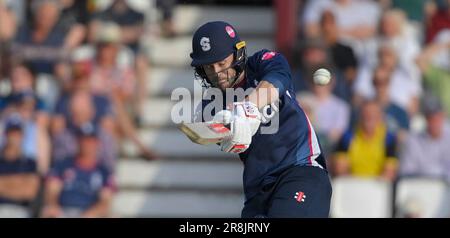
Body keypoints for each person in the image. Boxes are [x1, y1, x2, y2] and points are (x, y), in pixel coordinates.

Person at [189, 21, 332, 218]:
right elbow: (212, 129)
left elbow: (277, 80)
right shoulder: (212, 103)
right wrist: (227, 129)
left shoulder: (263, 62)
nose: (217, 73)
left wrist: (248, 108)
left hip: (300, 171)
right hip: (257, 191)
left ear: (238, 54)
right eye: (209, 67)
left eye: (222, 63)